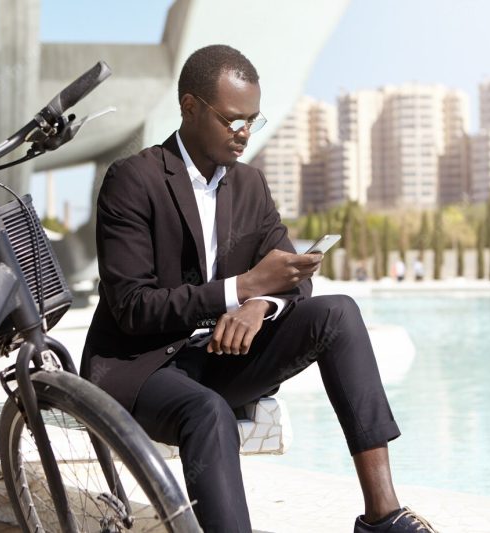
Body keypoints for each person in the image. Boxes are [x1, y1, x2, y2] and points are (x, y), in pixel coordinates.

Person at [81, 44, 437, 533]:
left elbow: (291, 274)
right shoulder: (133, 179)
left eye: (252, 120)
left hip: (223, 354)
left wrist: (259, 305)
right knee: (208, 413)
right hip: (142, 366)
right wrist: (241, 288)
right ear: (189, 107)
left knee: (339, 313)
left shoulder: (250, 184)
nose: (244, 133)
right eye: (232, 120)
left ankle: (382, 515)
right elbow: (132, 308)